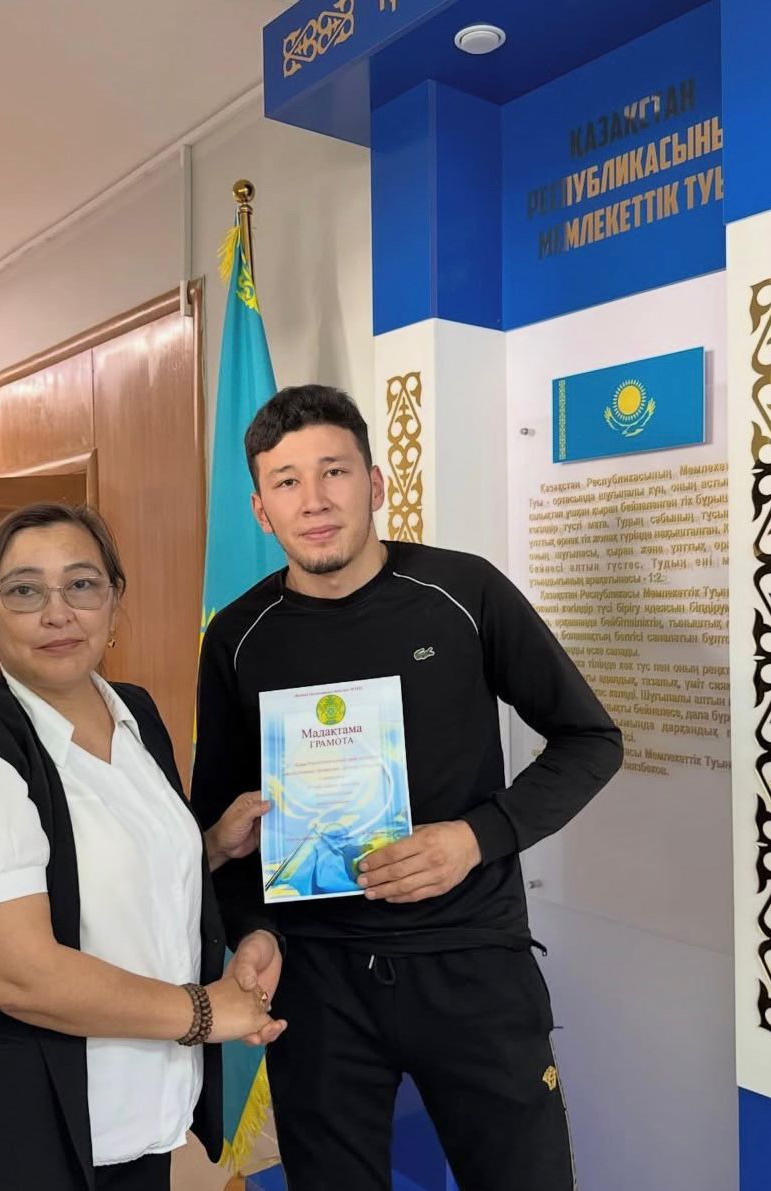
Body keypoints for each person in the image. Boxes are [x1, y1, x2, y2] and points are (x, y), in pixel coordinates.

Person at [192, 385, 624, 1191]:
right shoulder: (238, 638)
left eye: (334, 471)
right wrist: (252, 930)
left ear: (375, 483)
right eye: (286, 481)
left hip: (471, 960)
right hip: (314, 979)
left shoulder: (464, 592)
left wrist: (475, 837)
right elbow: (220, 824)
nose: (314, 500)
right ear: (260, 509)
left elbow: (591, 740)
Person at [0, 502, 285, 1191]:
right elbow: (15, 973)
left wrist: (209, 848)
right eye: (24, 590)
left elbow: (96, 872)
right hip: (13, 1137)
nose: (57, 612)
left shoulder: (135, 713)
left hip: (137, 1115)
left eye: (82, 584)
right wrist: (204, 1010)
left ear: (114, 603)